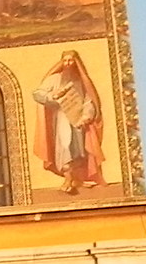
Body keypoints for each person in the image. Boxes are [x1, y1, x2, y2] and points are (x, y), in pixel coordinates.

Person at [32, 49, 105, 193]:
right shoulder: (55, 79)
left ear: (76, 62)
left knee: (79, 150)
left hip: (78, 120)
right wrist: (52, 95)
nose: (67, 63)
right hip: (61, 118)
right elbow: (38, 94)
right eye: (65, 60)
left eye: (71, 60)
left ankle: (77, 179)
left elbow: (89, 101)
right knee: (64, 145)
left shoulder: (81, 82)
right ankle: (67, 177)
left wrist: (86, 117)